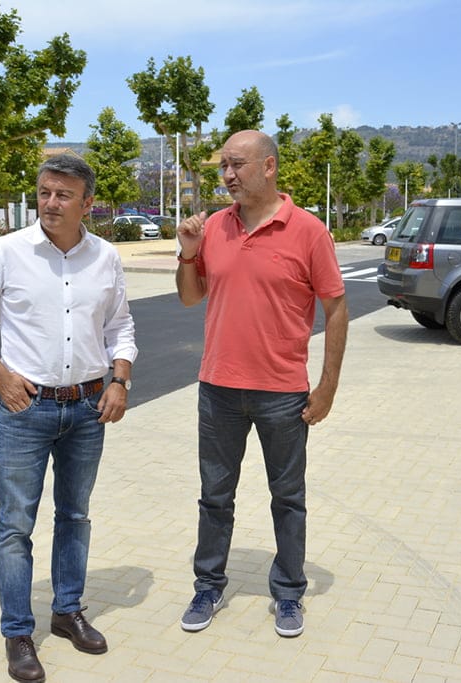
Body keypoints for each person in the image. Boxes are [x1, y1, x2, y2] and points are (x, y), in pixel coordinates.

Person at [0, 153, 137, 683]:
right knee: (15, 525)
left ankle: (67, 611)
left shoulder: (105, 257)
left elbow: (120, 327)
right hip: (25, 408)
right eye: (44, 192)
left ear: (88, 203)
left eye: (63, 195)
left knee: (75, 515)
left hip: (88, 407)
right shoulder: (6, 252)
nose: (50, 203)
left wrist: (120, 380)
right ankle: (18, 633)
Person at [174, 130, 348, 638]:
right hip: (218, 388)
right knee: (214, 496)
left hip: (282, 393)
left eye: (238, 165)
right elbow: (190, 297)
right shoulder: (214, 227)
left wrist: (328, 386)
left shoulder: (309, 231)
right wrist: (188, 253)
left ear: (268, 167)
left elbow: (337, 309)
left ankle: (288, 592)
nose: (227, 175)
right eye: (223, 166)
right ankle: (208, 585)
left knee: (288, 497)